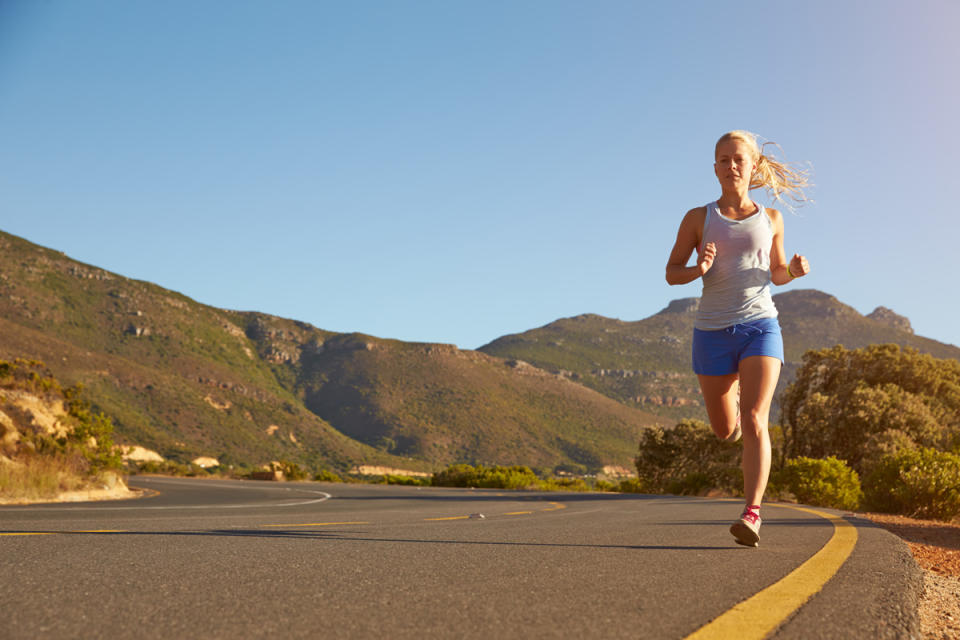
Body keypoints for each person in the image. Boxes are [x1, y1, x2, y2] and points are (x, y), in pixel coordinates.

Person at [665, 130, 810, 547]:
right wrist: (699, 269)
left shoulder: (772, 219)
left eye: (739, 160)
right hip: (711, 332)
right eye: (723, 159)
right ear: (715, 168)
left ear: (752, 167)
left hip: (760, 326)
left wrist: (794, 272)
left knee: (754, 418)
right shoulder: (698, 217)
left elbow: (777, 273)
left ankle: (752, 512)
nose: (731, 166)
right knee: (724, 429)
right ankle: (733, 408)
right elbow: (672, 271)